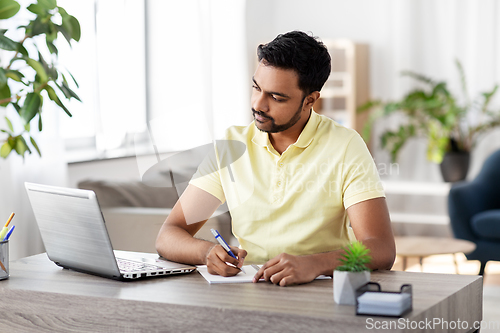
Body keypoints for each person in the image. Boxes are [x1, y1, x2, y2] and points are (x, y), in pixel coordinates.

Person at [156, 31, 395, 287]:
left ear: (310, 100)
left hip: (320, 292)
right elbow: (169, 234)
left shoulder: (345, 145)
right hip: (248, 292)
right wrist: (205, 252)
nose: (259, 104)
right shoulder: (231, 147)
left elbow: (380, 248)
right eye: (256, 88)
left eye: (276, 97)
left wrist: (315, 264)